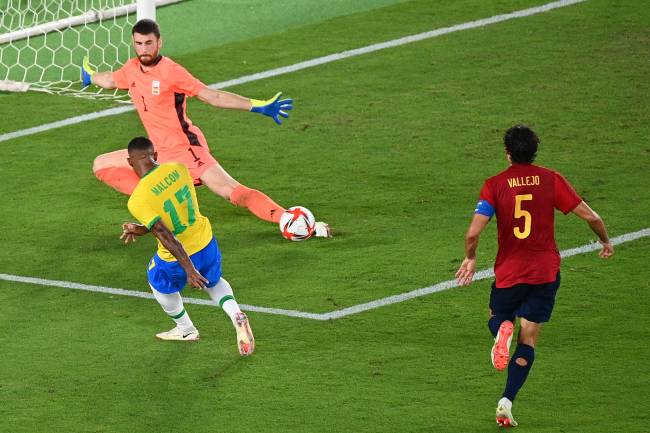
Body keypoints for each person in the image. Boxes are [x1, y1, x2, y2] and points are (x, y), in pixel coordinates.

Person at [82, 18, 330, 238]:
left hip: (186, 150)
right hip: (158, 153)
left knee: (233, 193)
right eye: (138, 44)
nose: (143, 49)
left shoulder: (172, 72)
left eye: (148, 43)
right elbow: (111, 80)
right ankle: (156, 207)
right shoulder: (132, 69)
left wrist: (257, 106)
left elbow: (213, 97)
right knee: (101, 164)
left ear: (160, 42)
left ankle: (292, 220)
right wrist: (89, 75)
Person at [455, 125, 614, 427]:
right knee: (528, 339)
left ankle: (502, 328)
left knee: (497, 315)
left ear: (507, 153)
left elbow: (473, 233)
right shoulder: (551, 180)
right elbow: (592, 216)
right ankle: (506, 401)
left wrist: (471, 258)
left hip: (510, 273)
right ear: (534, 151)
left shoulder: (495, 185)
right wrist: (605, 240)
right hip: (544, 273)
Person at [121, 136, 254, 356]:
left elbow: (165, 234)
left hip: (177, 257)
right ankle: (236, 313)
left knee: (156, 279)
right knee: (213, 281)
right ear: (155, 155)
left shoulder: (138, 199)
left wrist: (189, 269)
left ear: (129, 161)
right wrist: (143, 228)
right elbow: (175, 213)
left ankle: (186, 330)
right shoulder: (179, 169)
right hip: (205, 240)